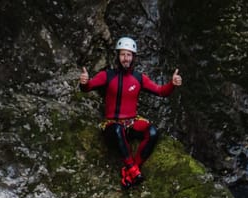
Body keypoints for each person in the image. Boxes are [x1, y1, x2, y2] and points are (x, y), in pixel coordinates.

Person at [78, 37, 183, 188]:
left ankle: (132, 171)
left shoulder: (139, 78)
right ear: (117, 56)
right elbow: (88, 88)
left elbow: (161, 92)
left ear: (133, 57)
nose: (125, 58)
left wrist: (172, 84)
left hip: (131, 123)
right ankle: (133, 170)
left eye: (129, 55)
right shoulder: (107, 75)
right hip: (112, 126)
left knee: (152, 132)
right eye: (122, 54)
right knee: (117, 129)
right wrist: (84, 82)